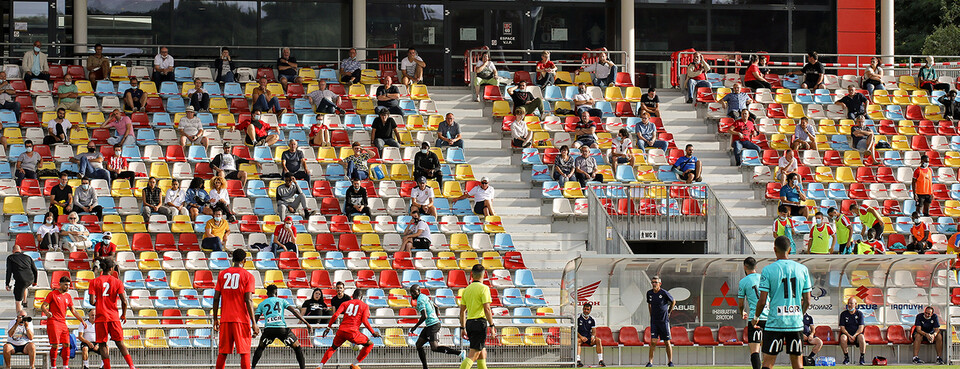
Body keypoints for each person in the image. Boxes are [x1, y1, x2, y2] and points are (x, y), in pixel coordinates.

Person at [752, 235, 812, 369]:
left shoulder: (768, 270)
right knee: (798, 363)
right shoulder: (802, 269)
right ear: (790, 249)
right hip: (795, 323)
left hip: (775, 323)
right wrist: (799, 314)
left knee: (768, 363)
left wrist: (756, 317)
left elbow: (762, 301)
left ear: (774, 249)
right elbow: (807, 300)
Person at [212, 249, 259, 369]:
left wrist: (215, 319)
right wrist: (254, 323)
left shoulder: (222, 274)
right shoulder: (248, 276)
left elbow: (216, 298)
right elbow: (248, 299)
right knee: (244, 352)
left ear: (232, 259)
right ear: (245, 260)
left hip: (225, 319)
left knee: (222, 352)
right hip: (241, 319)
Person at [251, 284, 312, 369]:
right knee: (297, 347)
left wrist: (253, 330)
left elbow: (255, 319)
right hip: (281, 329)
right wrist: (306, 322)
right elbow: (294, 311)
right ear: (276, 292)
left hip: (269, 330)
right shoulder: (281, 301)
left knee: (260, 347)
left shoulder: (262, 304)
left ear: (267, 293)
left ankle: (253, 367)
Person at [316, 288, 379, 369]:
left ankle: (320, 366)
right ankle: (355, 364)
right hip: (353, 332)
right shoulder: (365, 306)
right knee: (370, 344)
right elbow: (364, 321)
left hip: (341, 331)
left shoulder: (345, 303)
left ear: (352, 296)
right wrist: (373, 332)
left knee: (333, 348)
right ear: (361, 297)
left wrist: (328, 327)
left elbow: (335, 315)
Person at [90, 258, 134, 369]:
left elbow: (91, 302)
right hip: (113, 317)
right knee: (120, 342)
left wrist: (99, 302)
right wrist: (123, 314)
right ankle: (131, 366)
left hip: (100, 317)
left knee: (103, 344)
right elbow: (124, 301)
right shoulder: (117, 282)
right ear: (111, 268)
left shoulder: (94, 281)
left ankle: (107, 367)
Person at [409, 284, 465, 369]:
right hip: (431, 324)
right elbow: (436, 306)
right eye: (411, 292)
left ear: (419, 291)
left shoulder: (420, 300)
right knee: (418, 344)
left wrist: (415, 327)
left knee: (434, 347)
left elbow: (424, 316)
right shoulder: (424, 296)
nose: (412, 294)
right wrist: (437, 317)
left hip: (433, 325)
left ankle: (459, 353)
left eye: (414, 292)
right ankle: (425, 367)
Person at [41, 276, 87, 369]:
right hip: (53, 321)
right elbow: (43, 306)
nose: (67, 287)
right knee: (56, 344)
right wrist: (47, 312)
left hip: (62, 322)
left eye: (69, 285)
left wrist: (81, 320)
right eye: (65, 285)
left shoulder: (68, 296)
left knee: (67, 344)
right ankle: (53, 366)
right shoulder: (52, 294)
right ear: (60, 284)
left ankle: (65, 366)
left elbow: (73, 310)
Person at [457, 264, 495, 369]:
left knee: (482, 352)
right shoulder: (484, 289)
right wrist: (492, 326)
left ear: (472, 274)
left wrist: (463, 327)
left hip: (470, 323)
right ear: (483, 275)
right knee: (474, 354)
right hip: (479, 323)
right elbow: (487, 309)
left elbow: (462, 311)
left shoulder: (466, 290)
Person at [737, 257, 769, 369]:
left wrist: (742, 312)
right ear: (756, 266)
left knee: (755, 350)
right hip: (769, 319)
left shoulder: (743, 282)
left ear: (745, 267)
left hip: (755, 319)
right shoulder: (764, 278)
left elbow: (741, 304)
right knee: (767, 350)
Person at [645, 276, 675, 367]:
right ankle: (650, 362)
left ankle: (670, 362)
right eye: (653, 282)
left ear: (660, 284)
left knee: (667, 342)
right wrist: (651, 315)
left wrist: (669, 312)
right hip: (654, 321)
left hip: (664, 321)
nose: (654, 284)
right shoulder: (649, 293)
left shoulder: (664, 293)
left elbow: (673, 301)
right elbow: (649, 304)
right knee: (653, 342)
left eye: (656, 282)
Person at [5, 245, 37, 314]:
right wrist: (35, 281)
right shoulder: (28, 257)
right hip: (30, 278)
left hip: (20, 279)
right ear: (20, 250)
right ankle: (25, 301)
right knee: (24, 286)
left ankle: (19, 318)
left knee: (18, 301)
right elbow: (35, 270)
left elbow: (9, 271)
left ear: (13, 251)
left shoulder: (10, 258)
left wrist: (7, 283)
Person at [838, 298, 867, 365]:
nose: (849, 305)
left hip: (856, 335)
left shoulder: (860, 314)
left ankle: (862, 357)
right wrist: (849, 335)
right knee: (843, 338)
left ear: (855, 304)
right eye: (848, 303)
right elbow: (842, 328)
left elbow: (861, 328)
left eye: (851, 303)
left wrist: (854, 336)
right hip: (847, 335)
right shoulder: (843, 314)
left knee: (862, 337)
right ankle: (846, 357)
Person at [576, 303, 604, 367]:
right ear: (583, 309)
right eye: (585, 309)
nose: (586, 311)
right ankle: (578, 361)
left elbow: (594, 331)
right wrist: (581, 337)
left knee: (598, 340)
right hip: (580, 337)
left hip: (588, 337)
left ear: (590, 310)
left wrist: (593, 337)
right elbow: (575, 330)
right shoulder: (578, 318)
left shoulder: (592, 320)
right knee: (577, 341)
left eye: (588, 309)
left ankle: (601, 360)